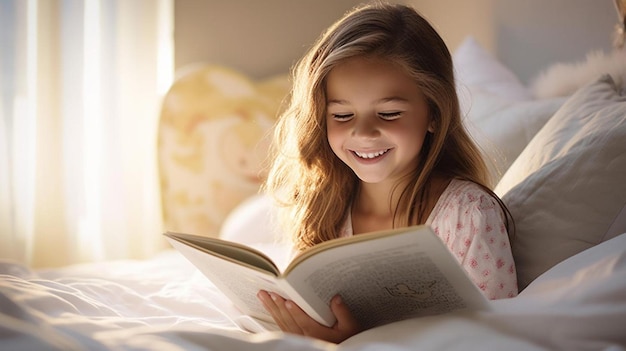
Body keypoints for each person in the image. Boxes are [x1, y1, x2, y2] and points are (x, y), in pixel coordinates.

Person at [256, 2, 518, 344]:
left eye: (390, 113)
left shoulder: (467, 215)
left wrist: (360, 341)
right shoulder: (324, 211)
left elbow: (501, 338)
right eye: (343, 116)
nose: (364, 133)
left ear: (434, 115)